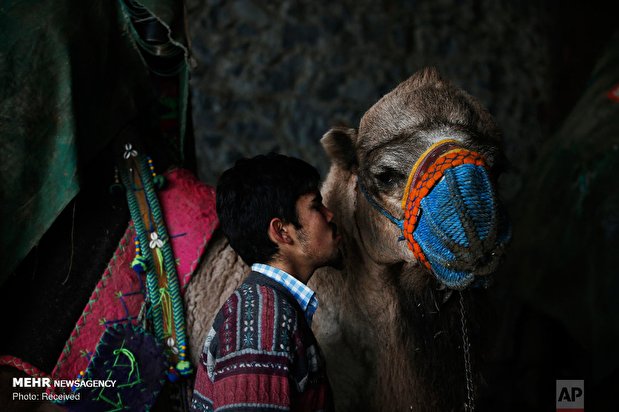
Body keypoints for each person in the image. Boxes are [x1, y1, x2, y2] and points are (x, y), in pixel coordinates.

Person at [191, 153, 341, 411]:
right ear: (282, 231)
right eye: (316, 206)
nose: (329, 215)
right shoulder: (261, 320)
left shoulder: (268, 310)